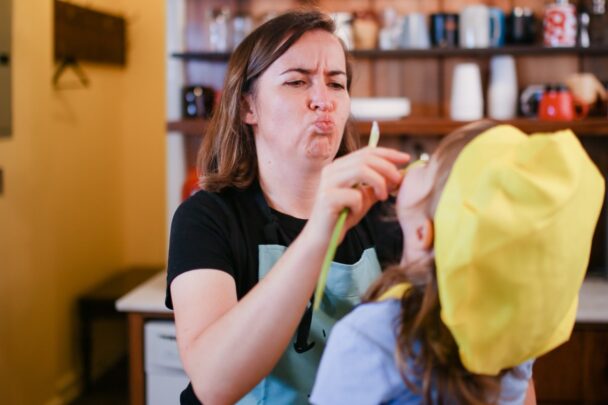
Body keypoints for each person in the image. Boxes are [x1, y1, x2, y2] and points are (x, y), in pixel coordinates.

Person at [166, 9, 410, 405]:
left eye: (336, 83)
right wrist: (319, 234)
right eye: (297, 82)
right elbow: (212, 383)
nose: (322, 101)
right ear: (249, 107)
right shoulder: (206, 218)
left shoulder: (386, 212)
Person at [310, 122, 605, 404]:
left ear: (424, 232)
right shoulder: (508, 331)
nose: (418, 162)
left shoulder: (368, 336)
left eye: (430, 164)